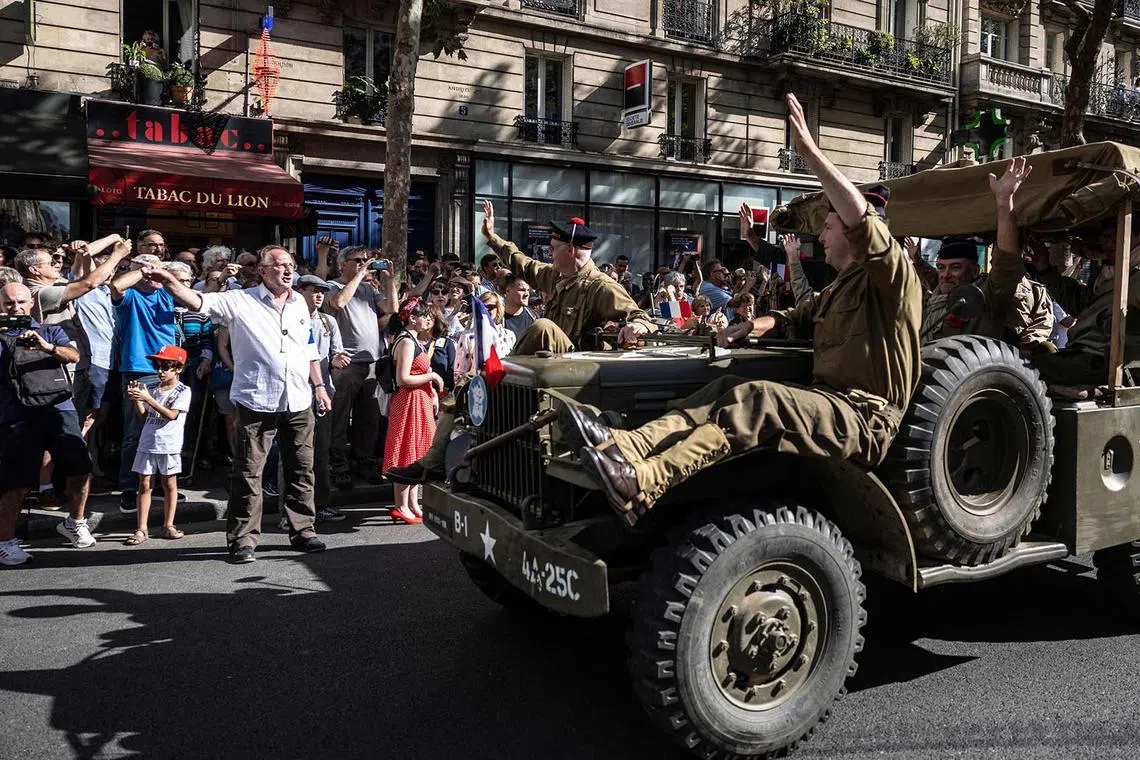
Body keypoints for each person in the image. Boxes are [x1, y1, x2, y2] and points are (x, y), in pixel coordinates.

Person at [559, 92, 932, 525]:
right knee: (726, 385)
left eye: (829, 227)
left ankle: (646, 479)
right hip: (829, 404)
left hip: (864, 418)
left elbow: (863, 221)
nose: (822, 237)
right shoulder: (839, 288)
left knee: (758, 399)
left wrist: (811, 154)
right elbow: (798, 316)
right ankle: (631, 446)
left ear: (855, 234)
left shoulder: (894, 279)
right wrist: (754, 324)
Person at [384, 203, 656, 486]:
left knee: (542, 327)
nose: (548, 253)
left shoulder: (600, 286)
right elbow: (522, 263)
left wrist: (636, 326)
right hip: (547, 367)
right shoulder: (559, 277)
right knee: (470, 384)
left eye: (553, 248)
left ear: (571, 250)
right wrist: (492, 237)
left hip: (576, 374)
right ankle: (434, 463)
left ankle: (499, 374)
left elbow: (641, 317)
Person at [143, 246, 332, 564]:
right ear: (262, 270)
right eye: (279, 265)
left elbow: (309, 348)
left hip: (299, 400)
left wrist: (320, 386)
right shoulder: (240, 301)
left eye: (291, 265)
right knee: (248, 473)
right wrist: (168, 281)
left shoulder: (300, 302)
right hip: (258, 400)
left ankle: (303, 530)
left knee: (301, 469)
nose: (287, 270)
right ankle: (243, 539)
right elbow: (198, 301)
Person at [0, 283, 94, 565]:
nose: (15, 308)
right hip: (16, 414)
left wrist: (47, 346)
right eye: (8, 304)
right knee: (15, 483)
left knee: (80, 470)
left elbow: (74, 356)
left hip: (59, 408)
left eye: (20, 302)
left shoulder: (48, 330)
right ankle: (5, 542)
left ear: (31, 303)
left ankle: (75, 523)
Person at [322, 246, 396, 489]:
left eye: (366, 261)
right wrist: (359, 275)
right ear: (343, 264)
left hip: (372, 362)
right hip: (346, 363)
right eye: (358, 260)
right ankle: (338, 465)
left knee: (369, 417)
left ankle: (364, 460)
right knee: (340, 417)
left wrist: (389, 281)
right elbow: (339, 302)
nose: (364, 263)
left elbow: (391, 308)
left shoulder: (368, 288)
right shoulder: (333, 285)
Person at [110, 253, 178, 512]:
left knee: (163, 430)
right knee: (135, 431)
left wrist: (162, 272)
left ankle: (160, 486)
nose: (154, 274)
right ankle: (129, 487)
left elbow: (193, 296)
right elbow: (116, 286)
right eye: (148, 270)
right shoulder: (131, 297)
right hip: (138, 369)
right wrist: (144, 270)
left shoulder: (166, 293)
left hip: (169, 367)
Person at [383, 298, 444, 524]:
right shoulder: (407, 342)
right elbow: (403, 378)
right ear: (411, 318)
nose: (428, 319)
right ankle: (400, 505)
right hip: (409, 400)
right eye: (424, 315)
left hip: (419, 399)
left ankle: (412, 502)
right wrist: (432, 376)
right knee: (406, 449)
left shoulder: (414, 340)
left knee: (417, 450)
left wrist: (432, 392)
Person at [125, 345, 191, 546]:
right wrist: (137, 399)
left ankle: (168, 524)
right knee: (144, 484)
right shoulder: (152, 388)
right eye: (158, 366)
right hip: (148, 442)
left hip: (168, 444)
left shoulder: (183, 390)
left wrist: (147, 398)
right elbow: (144, 416)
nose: (160, 371)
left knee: (169, 484)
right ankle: (141, 528)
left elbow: (171, 415)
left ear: (178, 369)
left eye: (166, 367)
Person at [454, 291, 516, 383]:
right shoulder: (467, 337)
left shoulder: (509, 336)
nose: (485, 310)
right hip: (478, 388)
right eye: (482, 306)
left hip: (505, 387)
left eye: (490, 307)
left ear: (498, 309)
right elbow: (459, 374)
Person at [501, 273, 536, 339]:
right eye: (522, 290)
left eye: (528, 290)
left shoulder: (533, 317)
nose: (527, 294)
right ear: (508, 291)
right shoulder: (498, 318)